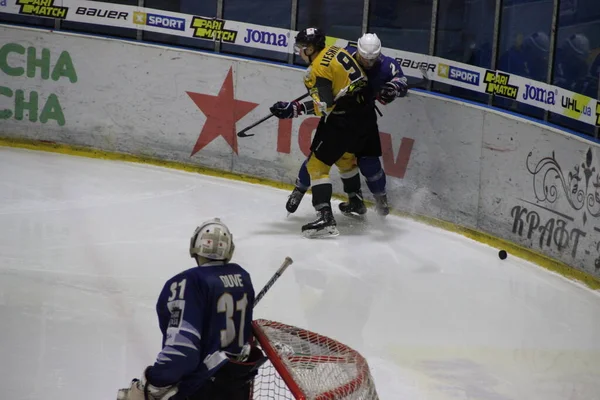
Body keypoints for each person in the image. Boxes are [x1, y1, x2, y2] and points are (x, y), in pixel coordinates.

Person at [117, 218, 265, 400]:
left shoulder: (188, 283)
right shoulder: (242, 278)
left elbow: (182, 352)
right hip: (236, 386)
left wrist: (151, 384)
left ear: (194, 247)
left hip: (200, 388)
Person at [284, 33, 408, 219]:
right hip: (343, 115)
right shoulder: (345, 53)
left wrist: (393, 89)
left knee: (363, 161)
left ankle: (377, 200)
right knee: (326, 158)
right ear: (357, 49)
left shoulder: (386, 64)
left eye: (372, 59)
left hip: (359, 117)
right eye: (364, 58)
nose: (367, 62)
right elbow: (328, 90)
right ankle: (303, 190)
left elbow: (401, 81)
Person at [270, 27, 372, 238]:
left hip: (343, 118)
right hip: (365, 115)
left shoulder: (316, 70)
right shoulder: (337, 50)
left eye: (301, 48)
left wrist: (295, 109)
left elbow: (325, 105)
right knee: (345, 157)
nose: (299, 51)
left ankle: (325, 217)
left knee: (317, 164)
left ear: (309, 48)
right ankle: (355, 201)